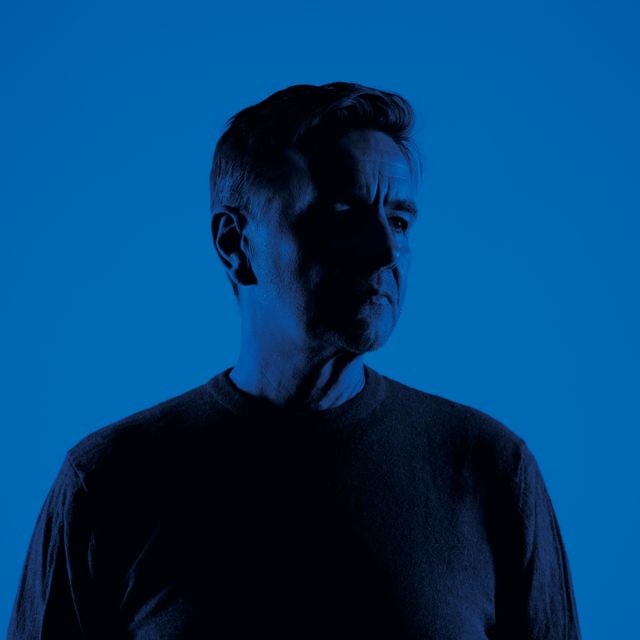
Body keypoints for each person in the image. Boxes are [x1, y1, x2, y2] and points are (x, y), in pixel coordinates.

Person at [8, 82, 581, 639]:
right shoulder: (109, 483)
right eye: (342, 214)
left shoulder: (490, 471)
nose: (386, 251)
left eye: (400, 221)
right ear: (235, 244)